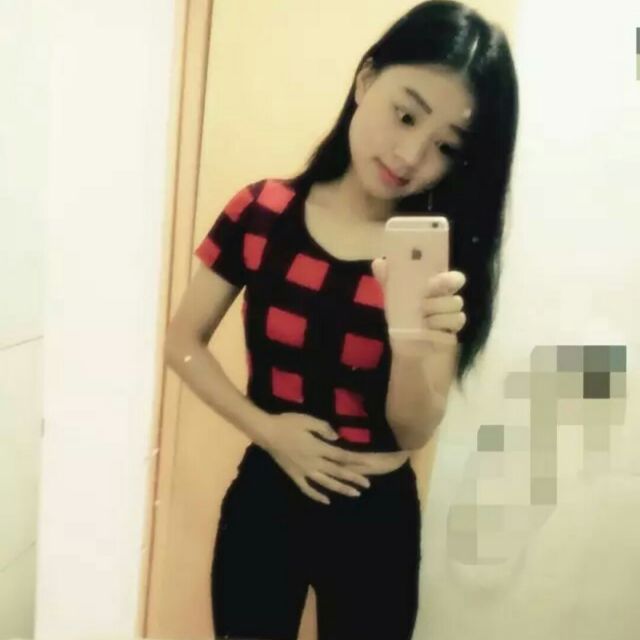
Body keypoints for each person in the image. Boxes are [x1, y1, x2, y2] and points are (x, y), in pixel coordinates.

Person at [164, 1, 519, 638]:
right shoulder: (262, 212)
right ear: (366, 79)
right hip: (268, 492)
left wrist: (411, 343)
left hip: (375, 518)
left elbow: (412, 429)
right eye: (405, 114)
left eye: (445, 146)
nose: (410, 154)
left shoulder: (438, 258)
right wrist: (268, 430)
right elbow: (182, 340)